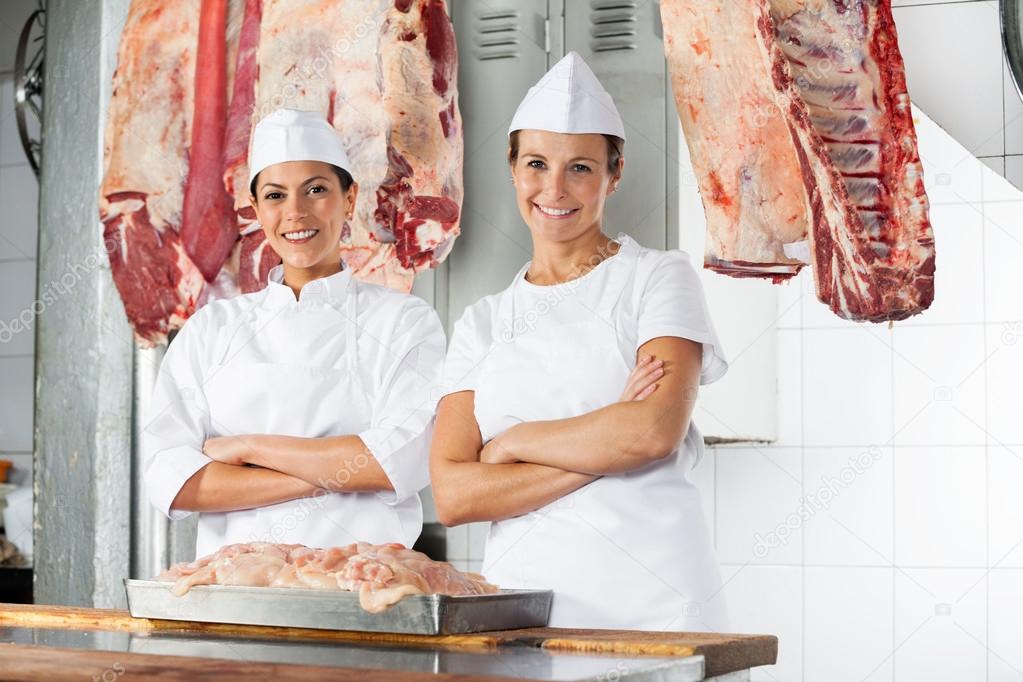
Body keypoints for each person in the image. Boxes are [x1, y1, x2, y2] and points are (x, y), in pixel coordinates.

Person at [430, 53, 730, 631]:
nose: (554, 188)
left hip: (657, 607)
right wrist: (607, 435)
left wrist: (512, 443)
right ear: (513, 168)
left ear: (614, 175)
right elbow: (455, 494)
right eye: (537, 163)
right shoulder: (482, 322)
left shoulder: (658, 278)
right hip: (521, 616)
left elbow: (652, 431)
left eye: (582, 168)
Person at [144, 109, 444, 558]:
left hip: (362, 592)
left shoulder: (403, 322)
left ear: (350, 197)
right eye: (275, 195)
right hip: (235, 598)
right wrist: (331, 476)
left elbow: (396, 460)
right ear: (256, 209)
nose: (295, 213)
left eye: (316, 190)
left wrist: (246, 447)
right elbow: (171, 479)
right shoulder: (211, 329)